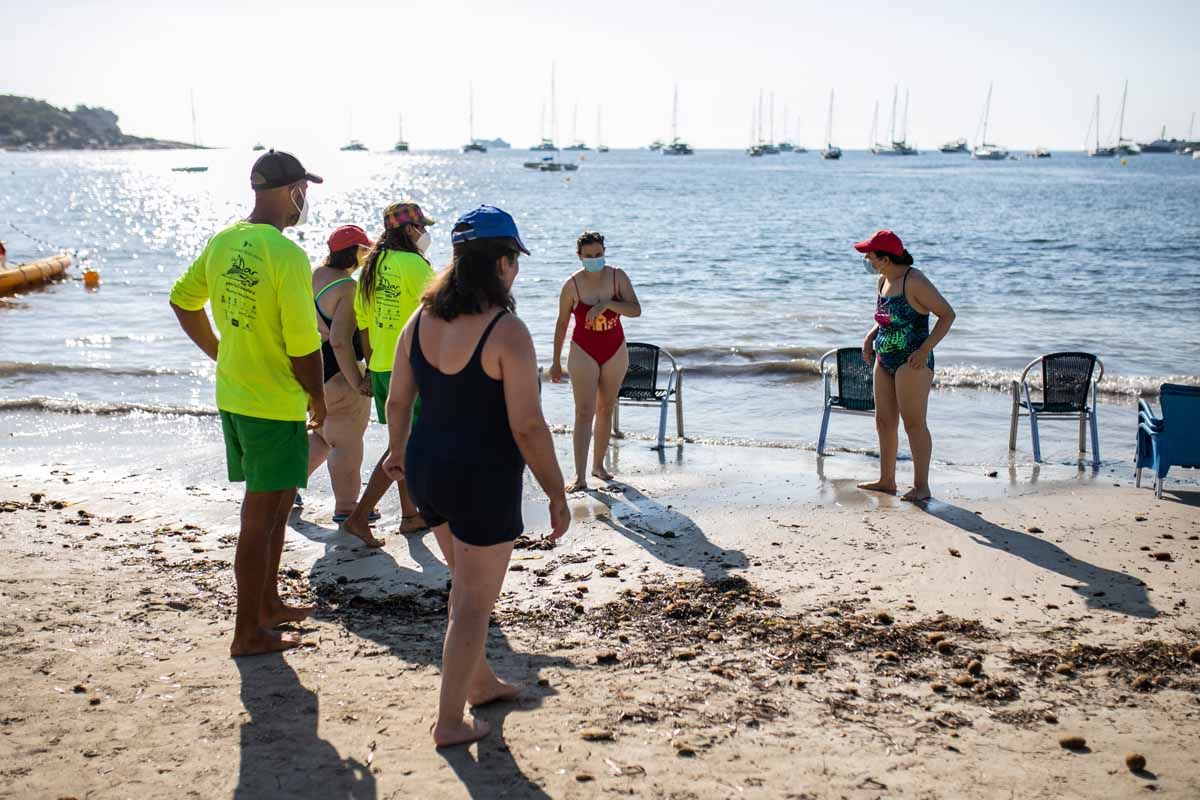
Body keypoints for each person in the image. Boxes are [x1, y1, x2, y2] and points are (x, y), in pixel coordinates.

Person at [381, 205, 569, 748]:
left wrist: (397, 453)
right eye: (515, 260)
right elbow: (529, 426)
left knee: (463, 585)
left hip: (427, 469)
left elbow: (398, 399)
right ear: (505, 264)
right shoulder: (506, 330)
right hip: (481, 479)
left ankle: (481, 684)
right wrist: (557, 493)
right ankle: (448, 722)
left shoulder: (420, 320)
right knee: (471, 605)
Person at [168, 149, 326, 656]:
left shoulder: (224, 240)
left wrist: (222, 353)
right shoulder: (286, 254)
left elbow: (183, 300)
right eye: (304, 190)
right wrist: (318, 399)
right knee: (259, 518)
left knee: (277, 508)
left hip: (236, 397)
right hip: (271, 403)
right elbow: (304, 344)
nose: (305, 200)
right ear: (291, 191)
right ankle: (247, 633)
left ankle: (268, 606)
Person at [340, 202, 436, 546]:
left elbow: (364, 327)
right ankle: (358, 516)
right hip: (411, 367)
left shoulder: (370, 267)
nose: (425, 233)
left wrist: (370, 366)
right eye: (423, 226)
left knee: (401, 444)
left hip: (382, 366)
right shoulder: (414, 264)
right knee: (403, 446)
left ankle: (411, 515)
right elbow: (439, 315)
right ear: (410, 230)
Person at [854, 230, 955, 502]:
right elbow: (885, 317)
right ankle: (887, 480)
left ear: (885, 258)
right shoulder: (882, 280)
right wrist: (870, 336)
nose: (866, 259)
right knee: (884, 421)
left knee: (914, 423)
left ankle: (921, 486)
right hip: (884, 357)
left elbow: (947, 315)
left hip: (913, 362)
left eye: (870, 255)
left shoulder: (915, 281)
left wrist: (925, 350)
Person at [548, 231, 641, 491]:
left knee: (606, 408)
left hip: (614, 349)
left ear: (604, 252)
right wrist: (555, 361)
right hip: (582, 350)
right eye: (589, 256)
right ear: (579, 256)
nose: (594, 259)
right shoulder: (572, 285)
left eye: (598, 254)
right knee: (584, 411)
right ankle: (579, 476)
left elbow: (635, 309)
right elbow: (562, 323)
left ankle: (598, 465)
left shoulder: (617, 276)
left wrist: (609, 304)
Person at [303, 224, 374, 522]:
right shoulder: (347, 287)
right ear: (355, 252)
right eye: (364, 251)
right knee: (346, 441)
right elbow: (341, 340)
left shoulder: (313, 274)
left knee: (321, 435)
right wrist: (358, 380)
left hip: (309, 367)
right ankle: (346, 507)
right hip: (338, 372)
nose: (366, 256)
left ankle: (286, 485)